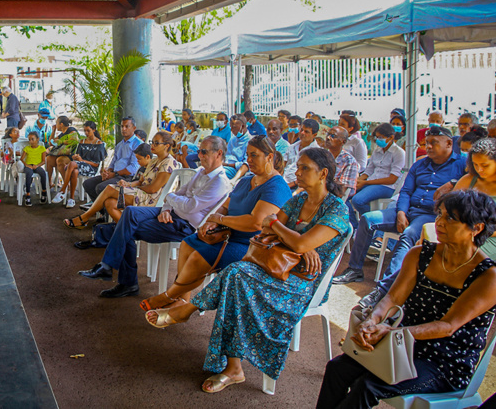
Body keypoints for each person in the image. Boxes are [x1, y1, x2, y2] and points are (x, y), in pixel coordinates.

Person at [146, 148, 349, 394]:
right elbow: (267, 227)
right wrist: (298, 241)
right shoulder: (299, 200)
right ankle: (231, 366)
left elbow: (285, 232)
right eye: (298, 167)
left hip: (301, 283)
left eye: (304, 168)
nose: (297, 172)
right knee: (236, 276)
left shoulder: (336, 209)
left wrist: (296, 239)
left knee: (237, 275)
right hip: (274, 267)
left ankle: (191, 314)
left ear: (323, 174)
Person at [317, 189, 496, 409]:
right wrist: (373, 320)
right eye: (440, 214)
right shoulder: (420, 254)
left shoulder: (488, 276)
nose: (439, 222)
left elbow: (448, 326)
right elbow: (393, 298)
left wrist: (392, 333)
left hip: (444, 361)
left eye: (451, 218)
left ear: (476, 228)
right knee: (337, 368)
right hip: (399, 346)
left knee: (368, 386)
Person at [139, 135, 290, 311]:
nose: (248, 160)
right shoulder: (246, 180)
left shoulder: (276, 186)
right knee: (188, 243)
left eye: (254, 155)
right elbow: (225, 206)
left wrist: (219, 220)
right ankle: (182, 299)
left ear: (269, 157)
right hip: (226, 234)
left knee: (199, 255)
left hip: (250, 245)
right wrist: (213, 221)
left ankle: (170, 296)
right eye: (248, 155)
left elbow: (255, 223)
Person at [78, 136, 231, 298]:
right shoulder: (200, 171)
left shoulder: (219, 181)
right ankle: (110, 269)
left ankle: (120, 276)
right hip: (169, 213)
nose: (199, 155)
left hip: (184, 225)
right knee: (129, 213)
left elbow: (189, 206)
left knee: (126, 227)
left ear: (218, 154)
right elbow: (179, 194)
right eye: (199, 151)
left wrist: (170, 198)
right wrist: (166, 208)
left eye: (204, 152)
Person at [333, 125, 467, 287]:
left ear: (449, 144)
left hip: (431, 215)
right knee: (367, 219)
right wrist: (401, 212)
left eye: (434, 143)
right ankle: (354, 269)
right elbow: (406, 191)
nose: (428, 147)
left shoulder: (462, 164)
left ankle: (386, 286)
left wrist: (453, 182)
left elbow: (476, 180)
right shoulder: (420, 164)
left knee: (409, 234)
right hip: (408, 210)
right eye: (426, 143)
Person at [64, 131, 178, 227]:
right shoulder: (154, 161)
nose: (152, 145)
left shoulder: (169, 163)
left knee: (109, 188)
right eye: (152, 142)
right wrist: (128, 185)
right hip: (142, 193)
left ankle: (84, 218)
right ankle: (127, 232)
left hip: (153, 200)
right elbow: (140, 181)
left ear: (166, 146)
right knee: (110, 203)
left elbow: (153, 189)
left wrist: (133, 188)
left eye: (156, 143)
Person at [348, 123, 405, 229]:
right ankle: (354, 226)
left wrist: (365, 182)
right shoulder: (377, 151)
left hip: (387, 186)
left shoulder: (398, 153)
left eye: (381, 137)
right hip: (371, 182)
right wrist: (358, 181)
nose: (378, 140)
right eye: (377, 137)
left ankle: (373, 222)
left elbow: (392, 179)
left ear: (391, 137)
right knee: (345, 194)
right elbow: (369, 170)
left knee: (357, 200)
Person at [82, 117, 142, 202]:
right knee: (88, 184)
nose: (123, 129)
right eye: (122, 126)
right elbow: (113, 162)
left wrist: (114, 174)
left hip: (127, 178)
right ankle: (101, 207)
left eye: (127, 126)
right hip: (116, 175)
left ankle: (103, 207)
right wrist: (107, 173)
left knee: (101, 187)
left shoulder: (138, 144)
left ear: (134, 128)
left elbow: (133, 168)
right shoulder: (119, 145)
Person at [52, 121, 106, 208]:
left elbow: (96, 164)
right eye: (85, 131)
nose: (86, 133)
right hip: (79, 166)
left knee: (72, 164)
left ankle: (63, 190)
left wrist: (81, 160)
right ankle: (72, 199)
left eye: (88, 130)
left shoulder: (99, 144)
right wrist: (76, 157)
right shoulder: (82, 141)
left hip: (92, 168)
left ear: (94, 130)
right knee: (74, 171)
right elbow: (77, 156)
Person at [325, 126, 360, 200]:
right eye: (327, 134)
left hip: (331, 200)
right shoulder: (321, 155)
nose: (328, 138)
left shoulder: (349, 161)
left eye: (333, 136)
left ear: (343, 141)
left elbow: (340, 192)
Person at [284, 118, 319, 187]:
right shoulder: (292, 147)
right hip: (283, 182)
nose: (302, 133)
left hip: (299, 186)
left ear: (314, 135)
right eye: (301, 130)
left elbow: (311, 176)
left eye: (306, 132)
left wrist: (291, 185)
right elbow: (283, 165)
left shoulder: (316, 152)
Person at [45, 115, 79, 186]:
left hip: (71, 155)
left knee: (60, 161)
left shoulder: (71, 130)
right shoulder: (61, 134)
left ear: (61, 124)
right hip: (62, 154)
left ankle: (67, 184)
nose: (56, 124)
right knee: (48, 159)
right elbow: (51, 143)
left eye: (56, 123)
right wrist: (53, 130)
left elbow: (73, 141)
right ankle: (49, 183)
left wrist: (61, 141)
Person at [20, 131, 48, 206]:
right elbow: (21, 159)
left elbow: (43, 161)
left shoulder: (42, 148)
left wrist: (37, 165)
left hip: (37, 165)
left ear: (37, 139)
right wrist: (26, 165)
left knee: (43, 173)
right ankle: (28, 194)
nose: (30, 141)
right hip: (28, 165)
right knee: (28, 174)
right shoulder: (27, 148)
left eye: (32, 139)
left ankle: (44, 191)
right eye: (29, 139)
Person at [223, 114, 250, 179]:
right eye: (231, 127)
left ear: (242, 126)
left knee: (220, 174)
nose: (231, 130)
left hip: (239, 171)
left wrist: (227, 164)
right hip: (226, 166)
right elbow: (227, 156)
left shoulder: (250, 142)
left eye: (234, 127)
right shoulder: (233, 139)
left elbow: (247, 164)